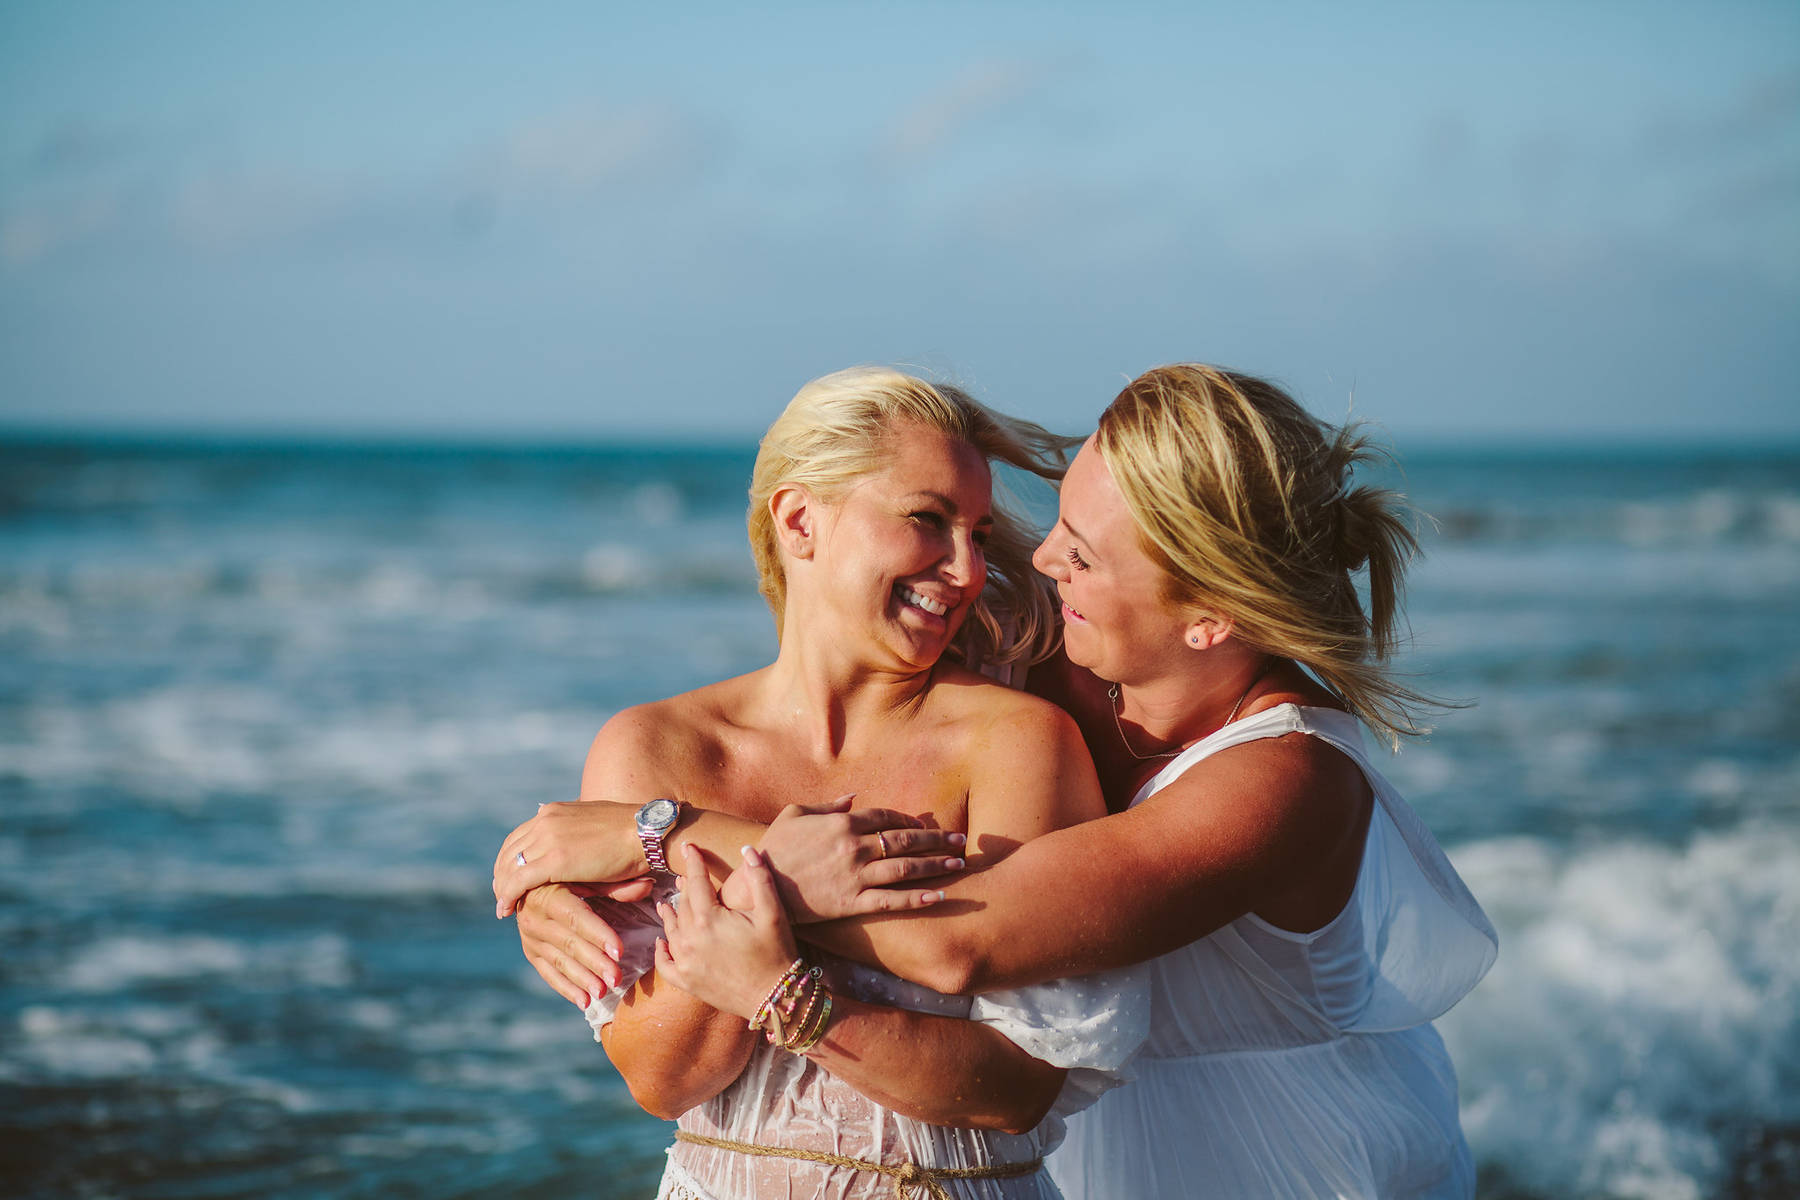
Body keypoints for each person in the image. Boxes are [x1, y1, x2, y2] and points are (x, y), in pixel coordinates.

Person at [497, 363, 1497, 1199]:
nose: (1030, 563)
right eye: (1057, 518)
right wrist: (551, 885)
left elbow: (959, 940)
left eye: (1085, 553)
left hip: (1289, 1167)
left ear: (1208, 617)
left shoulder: (1284, 782)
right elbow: (869, 588)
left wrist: (658, 836)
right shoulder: (1070, 655)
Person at [497, 366, 1147, 1200]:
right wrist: (783, 892)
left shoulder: (1016, 743)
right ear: (801, 522)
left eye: (979, 535)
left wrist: (779, 976)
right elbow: (664, 1079)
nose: (965, 570)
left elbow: (1017, 1087)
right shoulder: (657, 750)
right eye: (927, 520)